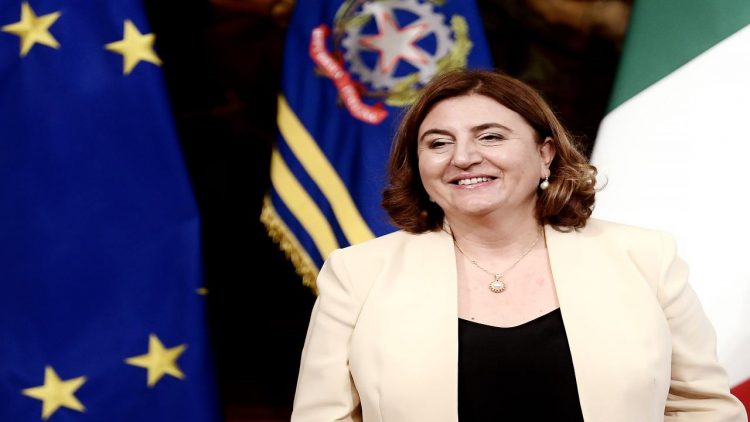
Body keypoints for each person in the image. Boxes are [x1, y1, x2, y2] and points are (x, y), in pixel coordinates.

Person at [290, 69, 748, 421]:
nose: (464, 157)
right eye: (439, 143)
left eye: (490, 136)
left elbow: (703, 409)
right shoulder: (356, 274)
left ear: (545, 154)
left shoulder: (645, 257)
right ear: (419, 165)